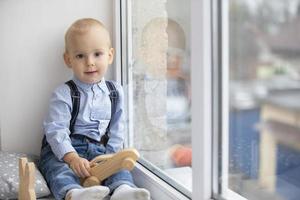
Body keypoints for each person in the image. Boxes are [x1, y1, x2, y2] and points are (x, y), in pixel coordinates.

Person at [38, 18, 150, 200]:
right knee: (57, 169)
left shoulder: (115, 91)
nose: (90, 62)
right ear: (68, 59)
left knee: (119, 166)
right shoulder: (64, 93)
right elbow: (55, 130)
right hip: (66, 150)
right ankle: (74, 193)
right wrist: (72, 158)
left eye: (97, 54)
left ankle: (123, 189)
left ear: (110, 56)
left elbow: (117, 129)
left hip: (100, 150)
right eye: (80, 56)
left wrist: (112, 156)